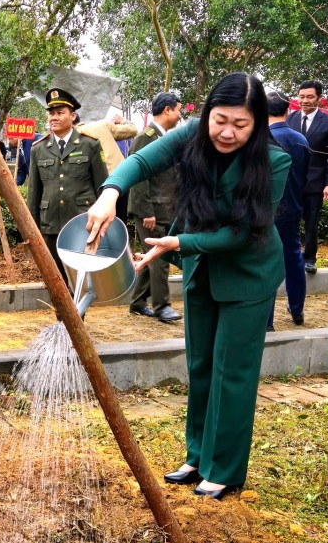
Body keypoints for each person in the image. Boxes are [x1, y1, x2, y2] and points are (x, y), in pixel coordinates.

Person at [87, 72, 291, 500]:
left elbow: (243, 234)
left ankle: (226, 469)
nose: (228, 132)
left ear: (256, 124)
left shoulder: (274, 162)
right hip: (203, 271)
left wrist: (179, 242)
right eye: (220, 120)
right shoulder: (190, 138)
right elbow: (141, 161)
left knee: (231, 373)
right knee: (200, 366)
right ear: (207, 114)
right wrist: (110, 192)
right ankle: (198, 455)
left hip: (248, 276)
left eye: (241, 124)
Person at [25, 87, 107, 281]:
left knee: (79, 277)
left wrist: (103, 223)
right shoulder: (39, 149)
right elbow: (34, 192)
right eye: (51, 113)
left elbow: (102, 187)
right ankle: (61, 312)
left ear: (73, 116)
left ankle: (77, 313)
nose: (54, 117)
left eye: (60, 113)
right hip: (50, 224)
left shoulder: (90, 144)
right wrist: (32, 228)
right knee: (55, 278)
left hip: (81, 222)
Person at [127, 92, 184, 323]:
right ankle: (162, 307)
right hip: (151, 211)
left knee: (154, 256)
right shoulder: (146, 138)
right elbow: (138, 176)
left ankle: (138, 302)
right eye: (179, 109)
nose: (180, 115)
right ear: (168, 110)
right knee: (161, 259)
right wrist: (146, 211)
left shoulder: (167, 138)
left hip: (165, 209)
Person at [266, 91, 310, 331]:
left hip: (266, 210)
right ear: (288, 110)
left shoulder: (259, 139)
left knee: (267, 261)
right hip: (292, 206)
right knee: (294, 257)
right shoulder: (300, 140)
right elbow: (304, 176)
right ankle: (297, 309)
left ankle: (266, 320)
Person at [286, 79, 328, 274]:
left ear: (319, 99)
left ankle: (309, 258)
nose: (305, 101)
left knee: (311, 222)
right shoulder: (289, 120)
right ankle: (288, 257)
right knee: (289, 221)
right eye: (301, 97)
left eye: (310, 97)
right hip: (290, 182)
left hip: (315, 183)